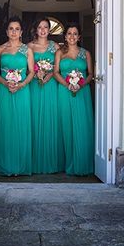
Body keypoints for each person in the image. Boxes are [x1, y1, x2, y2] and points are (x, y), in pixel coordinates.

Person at [0, 17, 35, 176]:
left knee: (21, 125)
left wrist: (21, 84)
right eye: (11, 28)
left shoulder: (27, 50)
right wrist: (5, 83)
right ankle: (5, 164)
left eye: (17, 29)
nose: (14, 32)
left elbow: (32, 72)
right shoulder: (0, 49)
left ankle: (20, 165)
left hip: (22, 91)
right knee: (5, 124)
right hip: (4, 90)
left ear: (21, 32)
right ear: (7, 31)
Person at [53, 23, 94, 176]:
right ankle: (68, 163)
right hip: (64, 92)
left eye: (75, 33)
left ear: (79, 37)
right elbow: (56, 72)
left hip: (82, 93)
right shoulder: (59, 53)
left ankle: (82, 164)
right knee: (66, 125)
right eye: (69, 33)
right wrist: (68, 84)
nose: (72, 36)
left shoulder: (86, 54)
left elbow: (90, 74)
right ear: (65, 36)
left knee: (82, 125)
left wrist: (80, 85)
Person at [28, 18, 63, 174]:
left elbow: (58, 67)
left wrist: (48, 75)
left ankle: (51, 160)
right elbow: (25, 68)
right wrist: (36, 74)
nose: (43, 30)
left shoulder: (55, 46)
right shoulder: (29, 46)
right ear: (36, 29)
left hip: (50, 86)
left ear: (49, 30)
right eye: (40, 27)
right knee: (34, 119)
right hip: (34, 85)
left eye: (46, 27)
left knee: (50, 119)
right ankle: (34, 161)